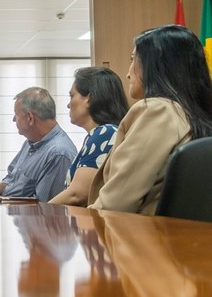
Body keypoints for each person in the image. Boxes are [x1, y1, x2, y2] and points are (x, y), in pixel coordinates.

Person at [88, 25, 212, 214]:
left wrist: (78, 228)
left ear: (156, 65)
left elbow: (115, 203)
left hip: (135, 237)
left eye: (132, 60)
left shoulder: (157, 111)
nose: (128, 73)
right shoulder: (193, 113)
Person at [49, 67, 129, 206]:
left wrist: (43, 215)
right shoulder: (102, 133)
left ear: (89, 98)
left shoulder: (105, 133)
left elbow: (77, 194)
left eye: (72, 96)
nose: (68, 104)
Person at [0, 87, 77, 202]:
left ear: (30, 118)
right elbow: (11, 177)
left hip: (28, 216)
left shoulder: (58, 153)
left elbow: (45, 207)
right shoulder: (30, 142)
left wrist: (3, 203)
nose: (14, 119)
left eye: (16, 115)